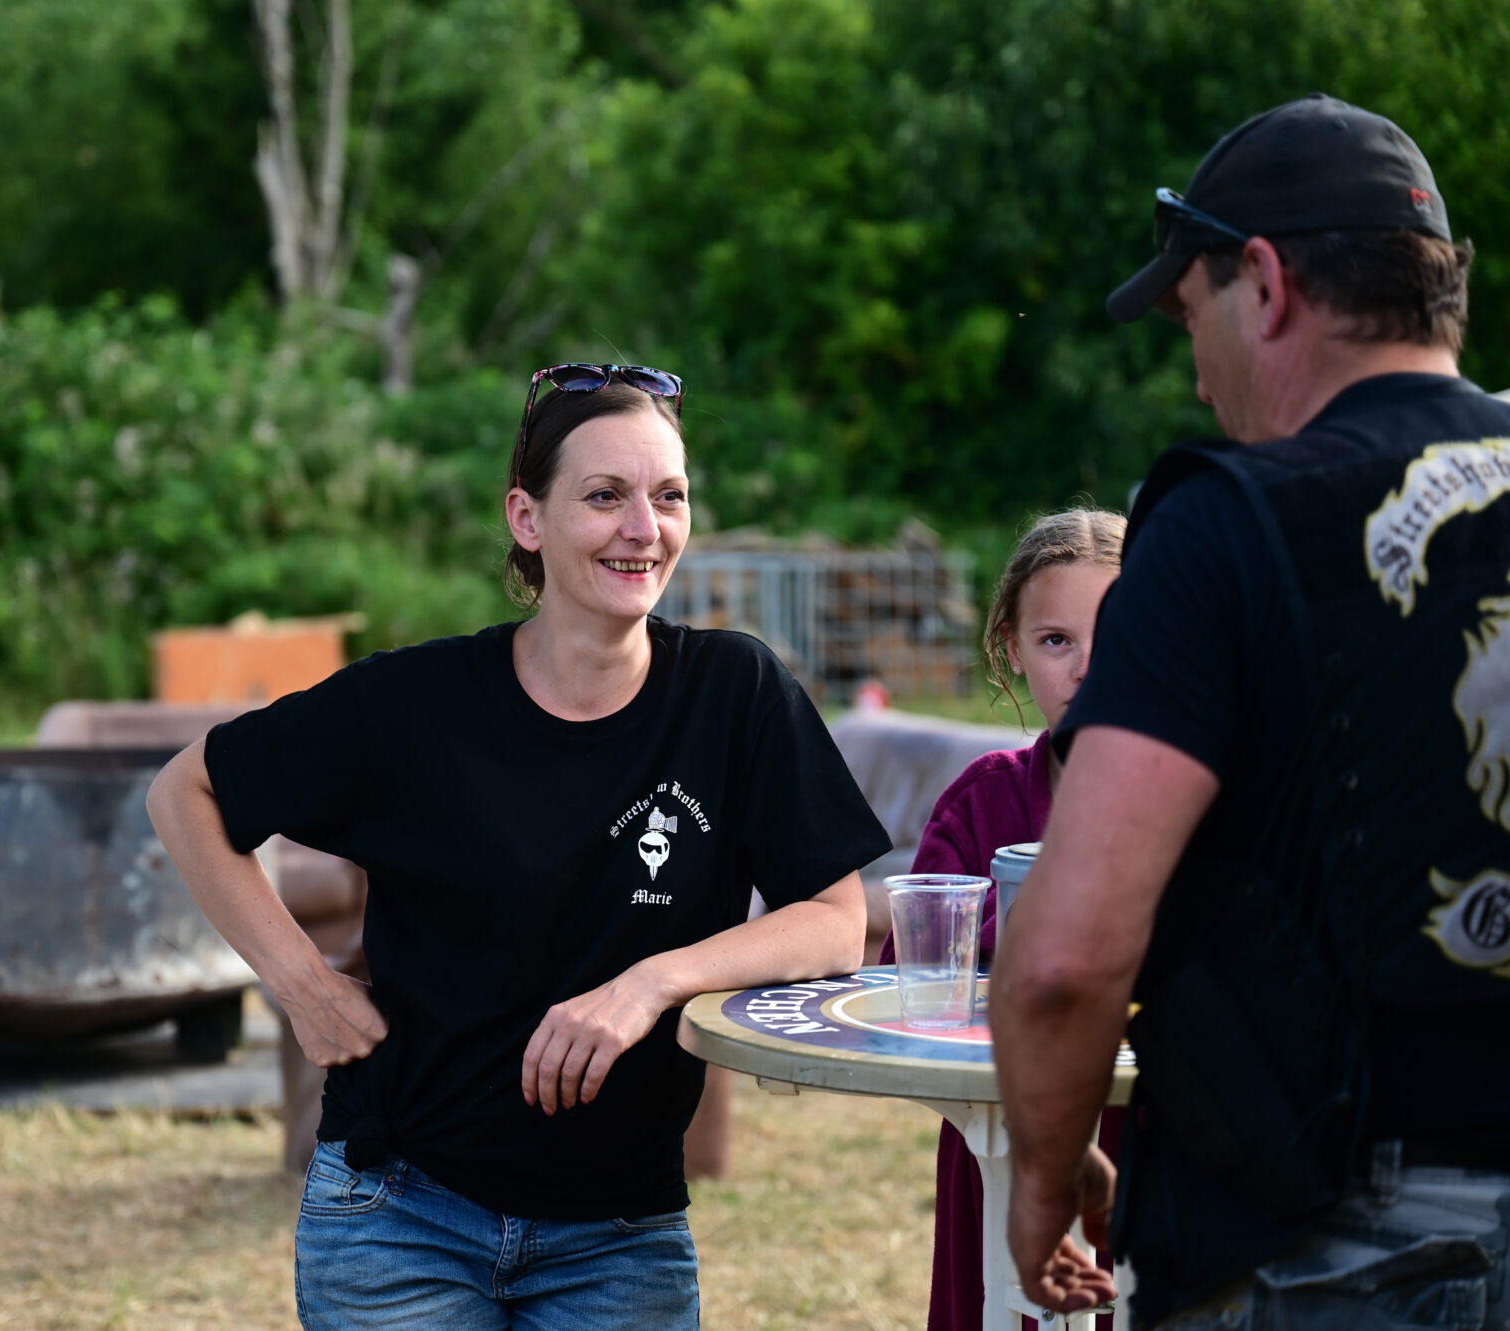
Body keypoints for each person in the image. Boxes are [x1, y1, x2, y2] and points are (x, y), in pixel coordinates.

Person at [145, 362, 891, 1329]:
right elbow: (186, 791)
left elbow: (833, 920)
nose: (644, 528)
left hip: (622, 1235)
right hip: (399, 1216)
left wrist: (649, 983)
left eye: (669, 496)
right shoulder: (417, 704)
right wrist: (303, 986)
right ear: (526, 518)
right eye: (605, 496)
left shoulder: (734, 693)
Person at [991, 93, 1510, 1329]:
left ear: (1263, 283)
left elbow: (1064, 958)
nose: (1194, 368)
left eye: (1190, 314)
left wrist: (1044, 1178)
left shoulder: (1222, 523)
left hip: (1332, 1241)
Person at [880, 507, 1126, 1331]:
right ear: (1012, 649)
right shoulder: (984, 798)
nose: (1088, 667)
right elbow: (913, 970)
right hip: (999, 1144)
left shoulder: (1213, 801)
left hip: (1162, 1145)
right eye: (1057, 640)